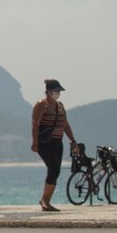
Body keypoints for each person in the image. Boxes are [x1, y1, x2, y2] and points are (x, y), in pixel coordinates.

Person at [31, 79, 77, 212]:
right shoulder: (41, 105)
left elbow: (65, 125)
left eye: (59, 91)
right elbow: (35, 124)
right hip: (45, 143)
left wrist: (73, 141)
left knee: (55, 171)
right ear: (48, 91)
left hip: (58, 142)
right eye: (56, 91)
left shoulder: (60, 106)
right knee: (53, 168)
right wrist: (35, 142)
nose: (58, 94)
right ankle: (44, 201)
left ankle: (46, 200)